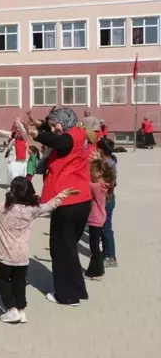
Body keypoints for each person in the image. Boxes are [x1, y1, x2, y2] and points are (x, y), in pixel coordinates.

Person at [0, 178, 77, 323]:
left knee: (2, 281)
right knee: (19, 283)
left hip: (6, 258)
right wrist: (63, 194)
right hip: (22, 258)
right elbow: (50, 206)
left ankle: (12, 310)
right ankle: (21, 310)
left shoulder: (2, 208)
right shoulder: (32, 210)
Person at [27, 107, 92, 306]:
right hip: (80, 200)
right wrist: (42, 125)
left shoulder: (68, 139)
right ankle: (78, 290)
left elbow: (58, 140)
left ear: (64, 122)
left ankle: (67, 296)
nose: (54, 128)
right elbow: (58, 134)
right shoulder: (79, 132)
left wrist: (37, 134)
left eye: (55, 124)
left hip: (67, 202)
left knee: (61, 250)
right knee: (70, 248)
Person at [85, 159, 116, 282]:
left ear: (99, 173)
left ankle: (97, 272)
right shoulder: (104, 184)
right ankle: (94, 271)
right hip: (98, 218)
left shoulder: (97, 187)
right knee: (95, 248)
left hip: (95, 220)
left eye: (91, 171)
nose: (89, 173)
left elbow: (85, 183)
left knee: (95, 249)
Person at [96, 138, 118, 268]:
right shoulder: (110, 160)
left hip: (106, 199)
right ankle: (106, 253)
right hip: (108, 198)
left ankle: (110, 256)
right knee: (105, 228)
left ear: (101, 150)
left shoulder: (107, 164)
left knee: (106, 229)